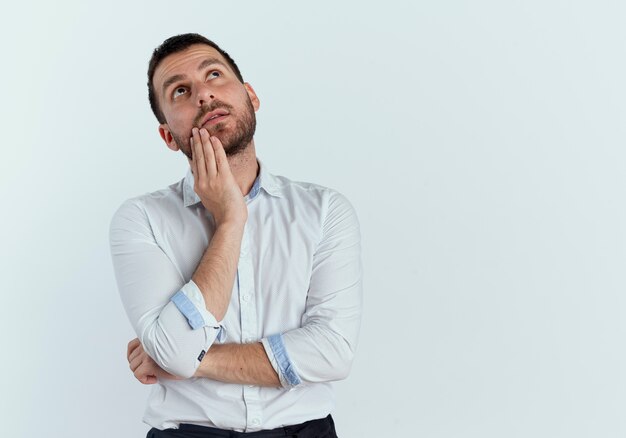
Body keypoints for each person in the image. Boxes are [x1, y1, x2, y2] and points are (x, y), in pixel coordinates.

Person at [109, 33, 363, 438]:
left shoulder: (325, 211)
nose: (204, 95)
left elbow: (332, 353)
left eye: (214, 74)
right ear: (167, 136)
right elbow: (172, 352)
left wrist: (193, 360)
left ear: (251, 96)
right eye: (180, 91)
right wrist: (230, 220)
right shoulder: (141, 219)